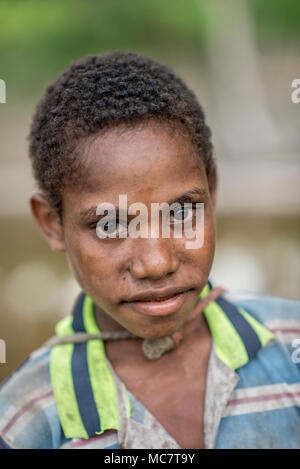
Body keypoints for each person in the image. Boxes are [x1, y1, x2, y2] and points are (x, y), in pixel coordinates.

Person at [0, 51, 299, 450]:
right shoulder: (24, 419)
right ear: (52, 224)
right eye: (110, 225)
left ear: (212, 190)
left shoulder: (290, 347)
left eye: (180, 211)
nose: (157, 263)